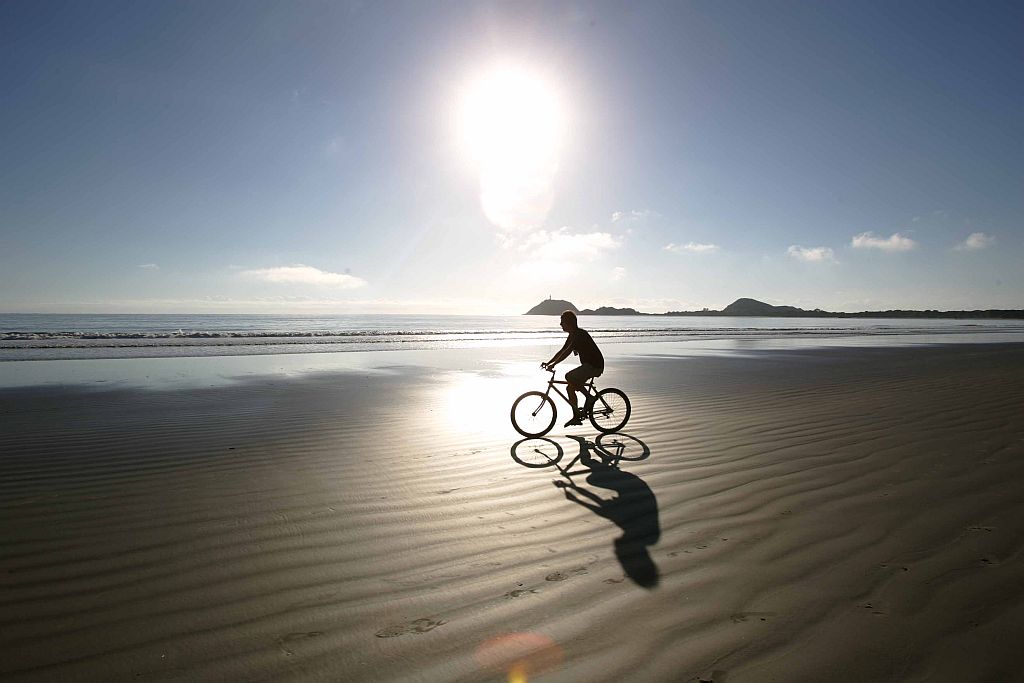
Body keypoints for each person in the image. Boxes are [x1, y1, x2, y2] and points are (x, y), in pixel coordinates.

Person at [541, 310, 605, 427]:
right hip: (588, 365)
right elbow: (562, 350)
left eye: (562, 322)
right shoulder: (573, 335)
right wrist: (549, 362)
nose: (561, 325)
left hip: (595, 366)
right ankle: (576, 417)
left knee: (569, 376)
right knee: (570, 388)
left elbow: (567, 352)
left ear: (569, 323)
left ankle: (589, 398)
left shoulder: (579, 335)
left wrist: (554, 365)